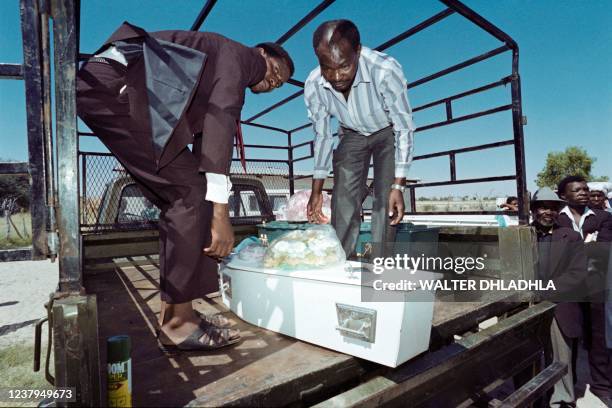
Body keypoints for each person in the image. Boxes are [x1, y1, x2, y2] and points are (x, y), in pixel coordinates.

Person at [77, 22, 294, 351]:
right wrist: (220, 213)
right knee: (191, 194)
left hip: (113, 89)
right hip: (117, 85)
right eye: (277, 71)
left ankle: (175, 313)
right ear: (263, 53)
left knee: (186, 196)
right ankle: (180, 324)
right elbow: (221, 121)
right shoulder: (240, 57)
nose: (274, 82)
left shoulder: (218, 60)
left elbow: (207, 141)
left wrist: (211, 199)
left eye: (279, 84)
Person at [304, 20, 415, 258]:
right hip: (351, 133)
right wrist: (316, 190)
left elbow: (404, 127)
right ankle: (341, 261)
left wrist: (399, 185)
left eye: (343, 66)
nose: (335, 77)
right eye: (327, 67)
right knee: (343, 199)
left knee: (385, 201)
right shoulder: (314, 84)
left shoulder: (385, 70)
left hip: (387, 131)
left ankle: (381, 264)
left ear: (358, 50)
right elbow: (322, 136)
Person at [556, 175, 612, 406]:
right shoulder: (556, 220)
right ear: (562, 196)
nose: (584, 192)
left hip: (596, 287)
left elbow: (603, 252)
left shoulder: (604, 217)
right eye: (577, 189)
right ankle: (571, 386)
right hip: (568, 290)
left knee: (599, 338)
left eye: (586, 189)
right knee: (571, 336)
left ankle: (602, 386)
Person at [529, 187, 587, 407]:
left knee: (561, 357)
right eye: (543, 207)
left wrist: (546, 290)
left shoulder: (570, 237)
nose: (548, 212)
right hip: (527, 306)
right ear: (534, 210)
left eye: (553, 208)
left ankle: (562, 400)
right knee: (527, 357)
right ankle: (531, 398)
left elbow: (578, 274)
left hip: (558, 305)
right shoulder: (521, 234)